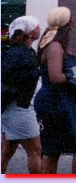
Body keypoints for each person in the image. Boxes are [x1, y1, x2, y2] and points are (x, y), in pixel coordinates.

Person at [33, 7, 76, 174]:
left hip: (56, 100)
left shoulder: (52, 43)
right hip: (57, 101)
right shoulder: (55, 46)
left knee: (53, 150)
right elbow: (55, 76)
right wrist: (75, 76)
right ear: (67, 24)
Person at [1, 16, 42, 174]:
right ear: (30, 33)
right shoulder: (24, 54)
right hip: (20, 108)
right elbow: (10, 78)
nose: (40, 29)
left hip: (11, 108)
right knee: (35, 150)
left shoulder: (18, 52)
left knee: (7, 151)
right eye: (37, 27)